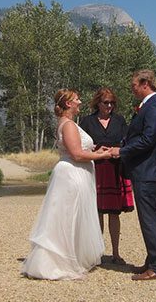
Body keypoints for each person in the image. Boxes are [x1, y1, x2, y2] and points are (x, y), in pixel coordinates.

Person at [21, 89, 113, 280]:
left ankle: (71, 257)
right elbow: (77, 154)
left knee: (68, 216)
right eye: (77, 99)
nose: (80, 102)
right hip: (72, 174)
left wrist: (94, 150)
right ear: (69, 104)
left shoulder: (67, 124)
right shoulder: (69, 125)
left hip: (74, 173)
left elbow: (78, 149)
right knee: (68, 217)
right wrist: (102, 155)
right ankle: (61, 261)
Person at [110, 70, 156, 281]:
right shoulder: (148, 107)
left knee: (150, 219)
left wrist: (121, 151)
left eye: (134, 84)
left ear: (145, 84)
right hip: (145, 171)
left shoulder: (155, 108)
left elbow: (148, 139)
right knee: (148, 219)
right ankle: (153, 260)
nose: (131, 88)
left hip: (149, 172)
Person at [79, 88, 134, 265]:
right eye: (106, 103)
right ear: (98, 103)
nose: (109, 106)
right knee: (97, 213)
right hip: (95, 168)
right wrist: (95, 149)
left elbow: (127, 142)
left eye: (112, 103)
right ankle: (98, 253)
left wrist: (120, 152)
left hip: (115, 168)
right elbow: (81, 145)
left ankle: (116, 253)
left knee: (114, 213)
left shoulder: (119, 121)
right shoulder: (87, 121)